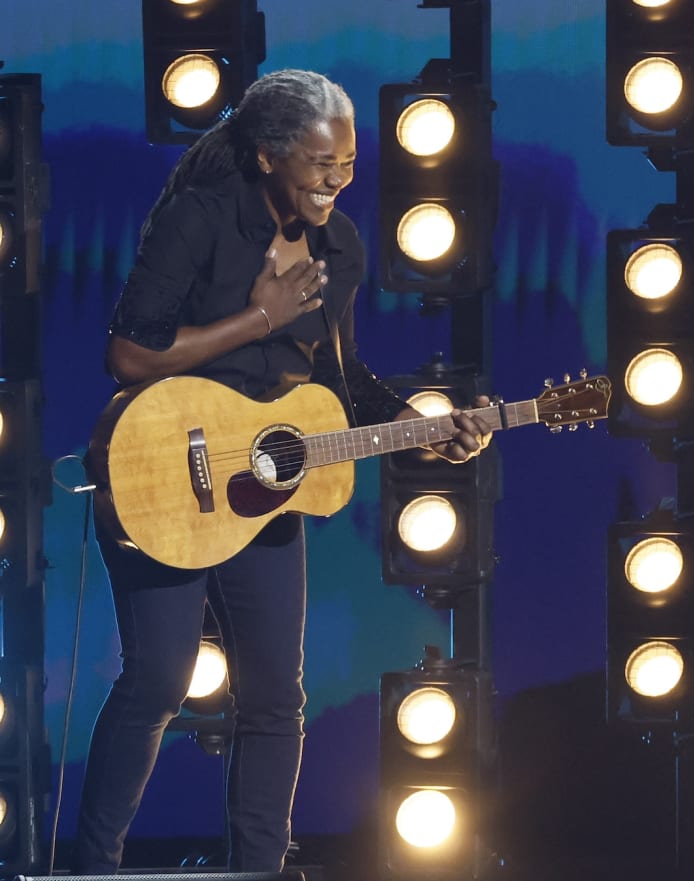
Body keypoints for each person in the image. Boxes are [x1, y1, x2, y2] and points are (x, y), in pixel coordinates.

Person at [78, 69, 493, 873]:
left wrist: (419, 427)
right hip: (163, 465)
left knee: (276, 698)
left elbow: (341, 381)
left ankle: (258, 867)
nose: (337, 181)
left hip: (264, 487)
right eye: (320, 164)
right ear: (269, 157)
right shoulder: (201, 220)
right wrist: (259, 317)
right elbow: (128, 353)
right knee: (159, 680)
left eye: (348, 165)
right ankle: (93, 867)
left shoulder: (339, 247)